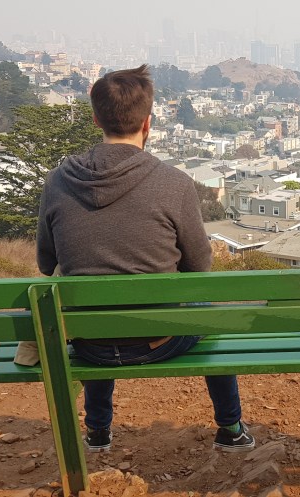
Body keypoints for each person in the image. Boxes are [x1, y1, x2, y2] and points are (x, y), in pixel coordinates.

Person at [35, 65, 254, 453]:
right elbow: (199, 267)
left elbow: (44, 262)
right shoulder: (175, 183)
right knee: (208, 311)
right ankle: (231, 427)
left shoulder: (57, 182)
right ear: (148, 122)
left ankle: (98, 431)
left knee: (94, 304)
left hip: (89, 342)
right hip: (160, 338)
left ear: (95, 119)